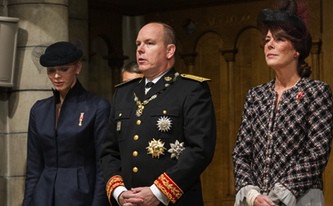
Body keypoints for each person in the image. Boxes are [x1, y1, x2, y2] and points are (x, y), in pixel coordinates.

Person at [101, 22, 217, 206]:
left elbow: (200, 150)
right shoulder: (123, 93)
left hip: (173, 201)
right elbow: (109, 151)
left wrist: (158, 192)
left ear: (169, 51)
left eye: (149, 43)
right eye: (138, 44)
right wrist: (119, 192)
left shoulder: (190, 90)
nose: (140, 50)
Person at [232, 0, 333, 205]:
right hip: (256, 200)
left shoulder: (316, 92)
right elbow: (241, 153)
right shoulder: (256, 95)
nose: (269, 44)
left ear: (296, 49)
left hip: (300, 197)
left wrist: (279, 194)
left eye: (279, 39)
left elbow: (317, 153)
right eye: (267, 39)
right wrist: (253, 195)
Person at [23, 41, 110, 206]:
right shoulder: (38, 110)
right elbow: (33, 168)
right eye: (51, 71)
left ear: (77, 68)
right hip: (42, 197)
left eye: (64, 69)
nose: (56, 76)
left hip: (81, 196)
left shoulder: (97, 107)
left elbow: (103, 166)